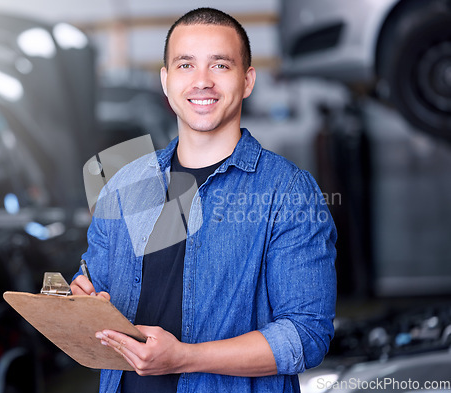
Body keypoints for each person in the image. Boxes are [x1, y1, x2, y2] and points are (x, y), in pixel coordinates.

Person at [70, 7, 337, 393]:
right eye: (185, 65)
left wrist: (186, 358)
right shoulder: (125, 184)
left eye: (220, 66)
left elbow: (305, 335)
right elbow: (97, 287)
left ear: (247, 81)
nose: (201, 82)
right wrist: (85, 298)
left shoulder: (288, 192)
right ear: (165, 81)